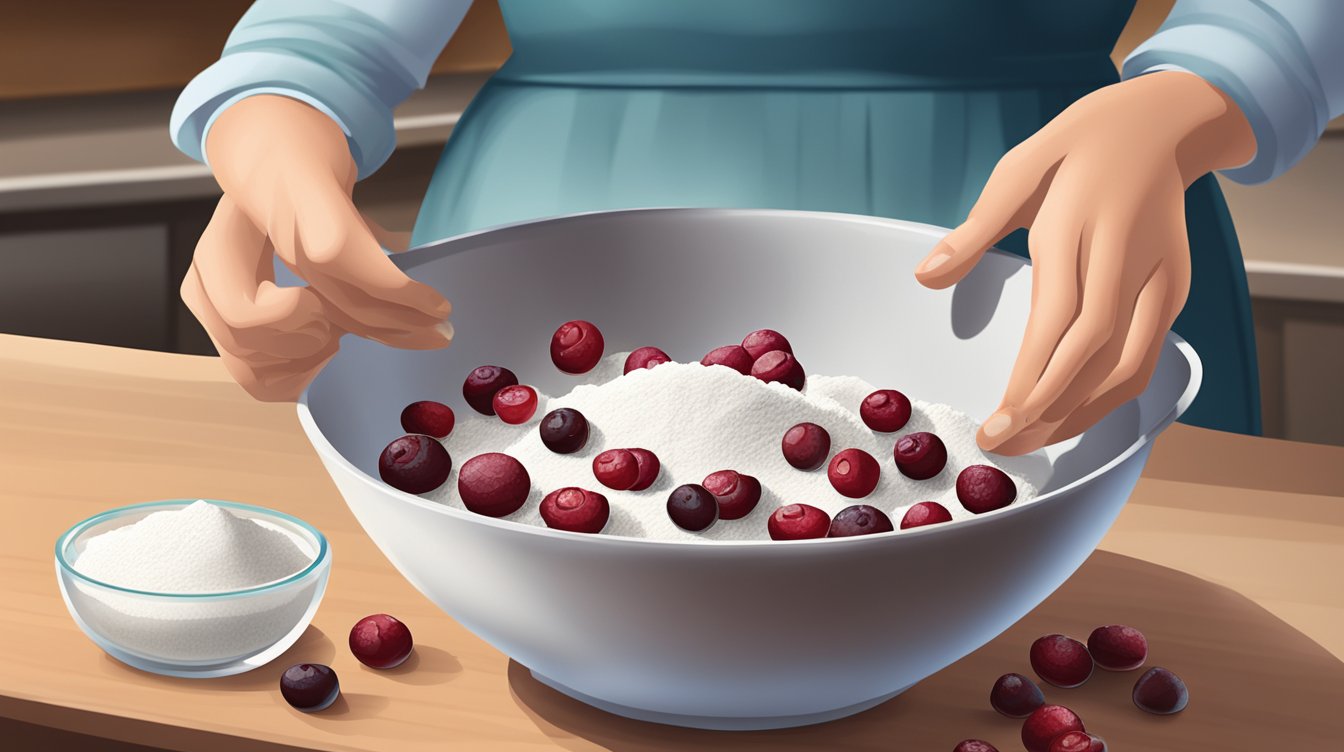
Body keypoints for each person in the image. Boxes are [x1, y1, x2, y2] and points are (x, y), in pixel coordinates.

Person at [170, 0, 1343, 455]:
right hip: (556, 224)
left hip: (1055, 204)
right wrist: (277, 113)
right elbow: (332, 28)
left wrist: (1205, 91)